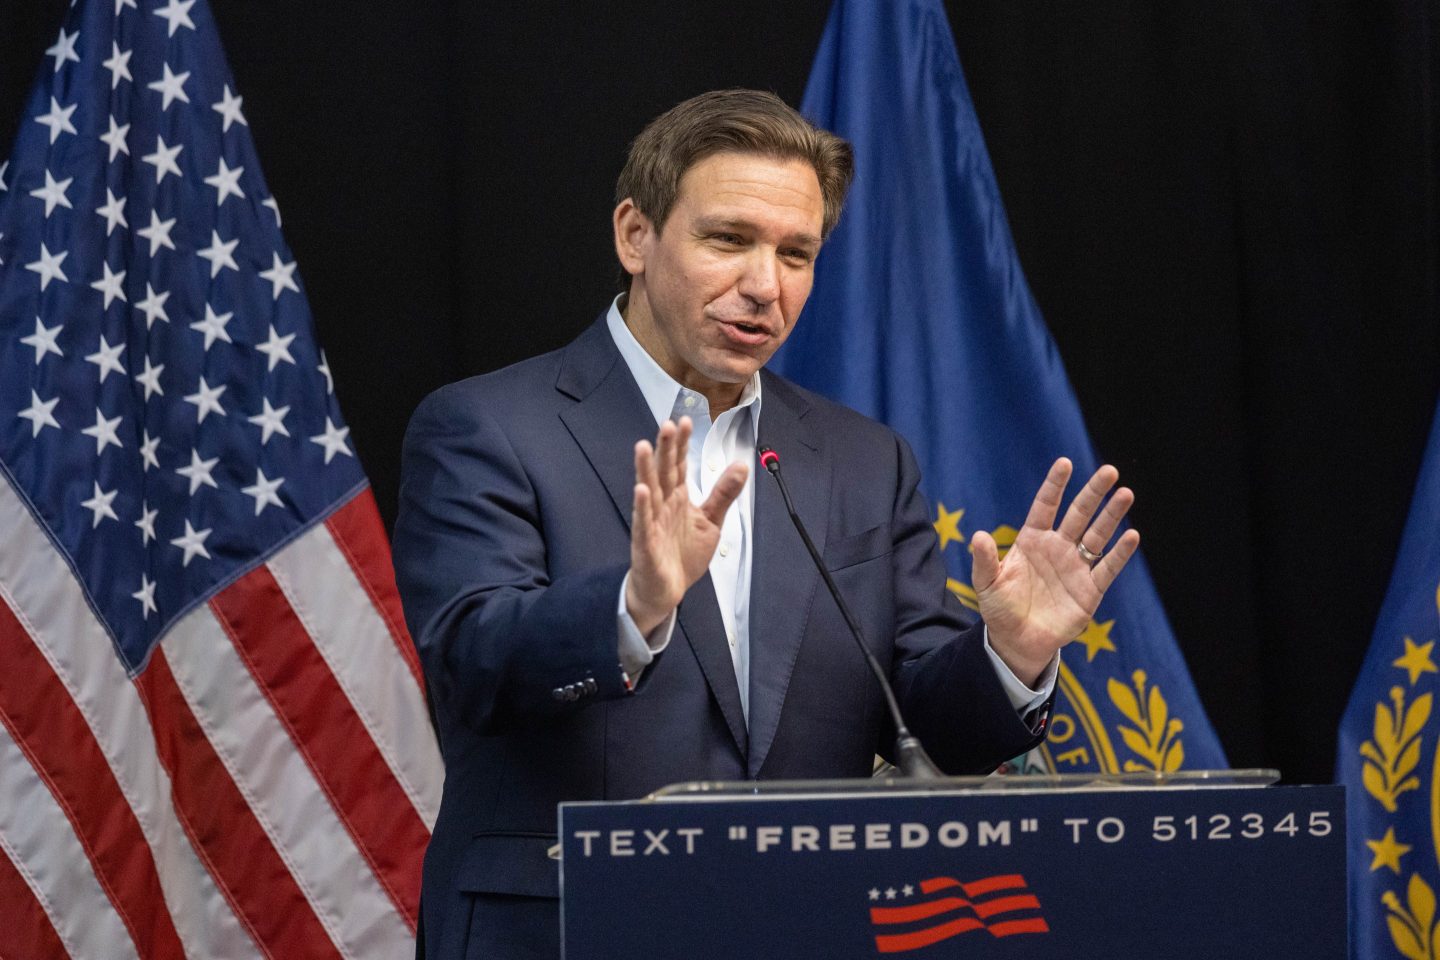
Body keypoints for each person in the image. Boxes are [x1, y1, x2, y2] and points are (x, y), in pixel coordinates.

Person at [392, 89, 1140, 960]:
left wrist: (1011, 658)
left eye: (796, 253)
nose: (764, 285)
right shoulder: (488, 426)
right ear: (635, 234)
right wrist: (631, 611)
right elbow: (470, 662)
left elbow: (932, 730)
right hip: (567, 928)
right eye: (728, 239)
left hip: (803, 929)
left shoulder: (863, 460)